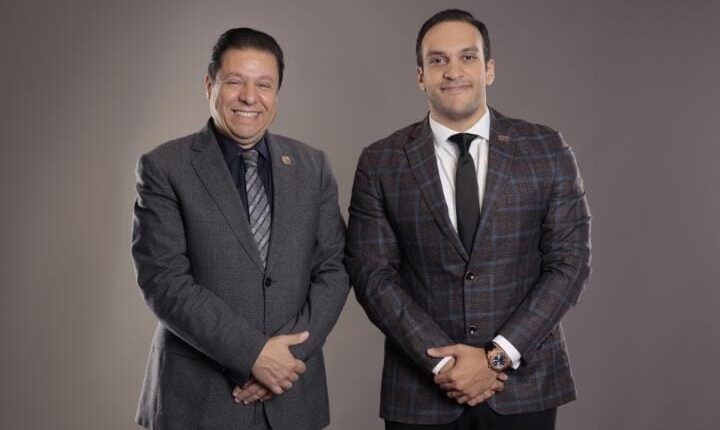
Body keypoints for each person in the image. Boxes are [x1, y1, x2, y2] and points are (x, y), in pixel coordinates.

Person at [346, 9, 591, 430]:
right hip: (422, 390)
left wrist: (497, 356)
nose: (453, 71)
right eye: (438, 60)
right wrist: (445, 364)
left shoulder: (545, 148)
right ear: (420, 75)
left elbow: (570, 263)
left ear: (489, 69)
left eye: (468, 57)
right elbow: (372, 275)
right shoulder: (381, 161)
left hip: (524, 388)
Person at [131, 27, 349, 430]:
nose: (250, 97)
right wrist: (253, 355)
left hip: (292, 397)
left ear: (277, 92)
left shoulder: (312, 166)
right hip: (198, 402)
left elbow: (334, 268)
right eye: (235, 82)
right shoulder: (164, 167)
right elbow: (164, 281)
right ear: (209, 85)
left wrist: (285, 360)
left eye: (264, 84)